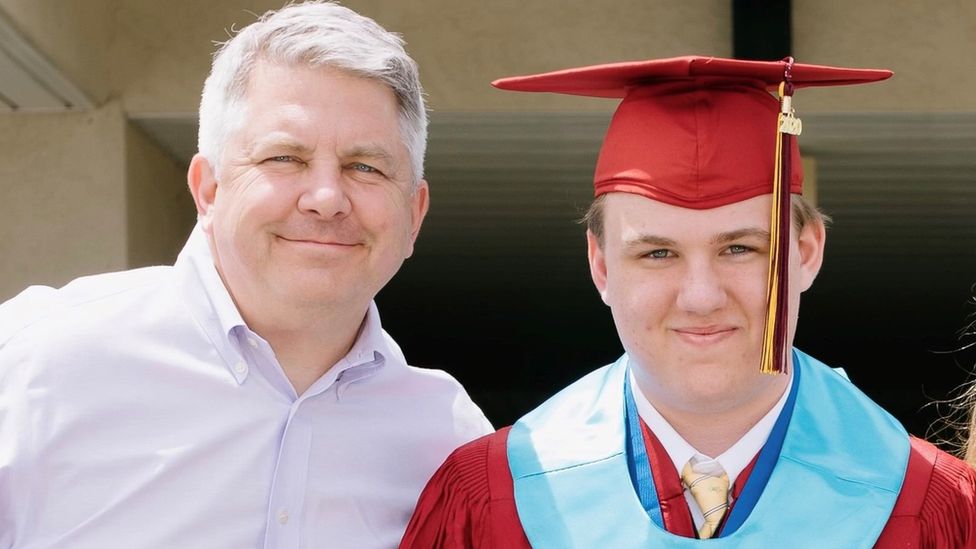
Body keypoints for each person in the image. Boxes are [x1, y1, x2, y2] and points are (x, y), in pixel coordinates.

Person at [401, 56, 976, 548]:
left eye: (740, 249)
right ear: (600, 266)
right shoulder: (492, 497)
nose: (701, 297)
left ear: (805, 251)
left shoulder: (926, 504)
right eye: (657, 254)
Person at [0, 2, 492, 548]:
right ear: (208, 190)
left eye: (365, 166)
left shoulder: (448, 441)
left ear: (414, 215)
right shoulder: (33, 367)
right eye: (285, 158)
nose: (326, 198)